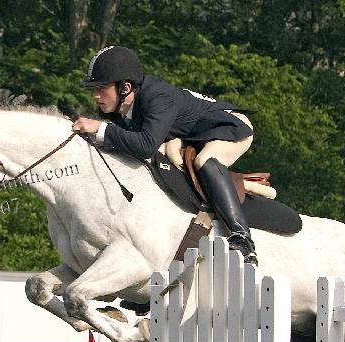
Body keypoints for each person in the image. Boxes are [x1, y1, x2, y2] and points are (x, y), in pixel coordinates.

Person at [72, 46, 258, 265]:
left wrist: (100, 128)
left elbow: (145, 146)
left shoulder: (157, 97)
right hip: (192, 134)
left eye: (101, 88)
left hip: (229, 126)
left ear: (125, 87)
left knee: (205, 161)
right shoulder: (119, 108)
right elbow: (118, 140)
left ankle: (242, 237)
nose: (95, 95)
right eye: (94, 89)